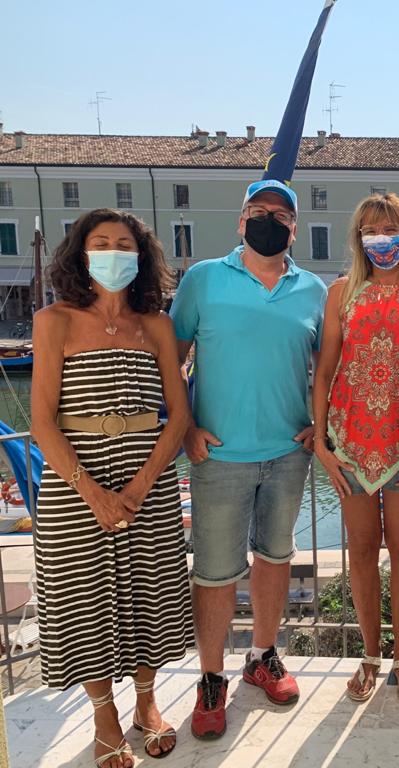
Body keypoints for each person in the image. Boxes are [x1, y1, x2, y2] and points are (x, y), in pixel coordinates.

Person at [32, 209, 193, 767]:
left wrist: (142, 485)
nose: (112, 253)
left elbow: (177, 414)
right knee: (85, 600)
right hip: (74, 487)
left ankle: (147, 704)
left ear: (140, 256)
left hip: (148, 478)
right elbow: (42, 422)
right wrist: (93, 493)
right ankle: (104, 715)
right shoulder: (53, 321)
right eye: (100, 243)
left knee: (151, 593)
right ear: (81, 254)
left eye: (124, 244)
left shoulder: (157, 326)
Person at [170, 180, 326, 739]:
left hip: (288, 453)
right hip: (219, 456)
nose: (268, 221)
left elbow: (325, 367)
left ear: (294, 229)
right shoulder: (203, 280)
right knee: (213, 573)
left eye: (280, 215)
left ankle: (262, 656)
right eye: (258, 212)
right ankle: (211, 678)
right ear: (241, 222)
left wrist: (320, 424)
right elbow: (174, 356)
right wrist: (183, 424)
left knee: (275, 558)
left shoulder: (314, 290)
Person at [312, 193, 399, 703]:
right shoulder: (341, 294)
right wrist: (323, 444)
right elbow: (325, 370)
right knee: (363, 550)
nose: (381, 239)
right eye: (371, 231)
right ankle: (370, 655)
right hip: (350, 448)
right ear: (358, 238)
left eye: (390, 229)